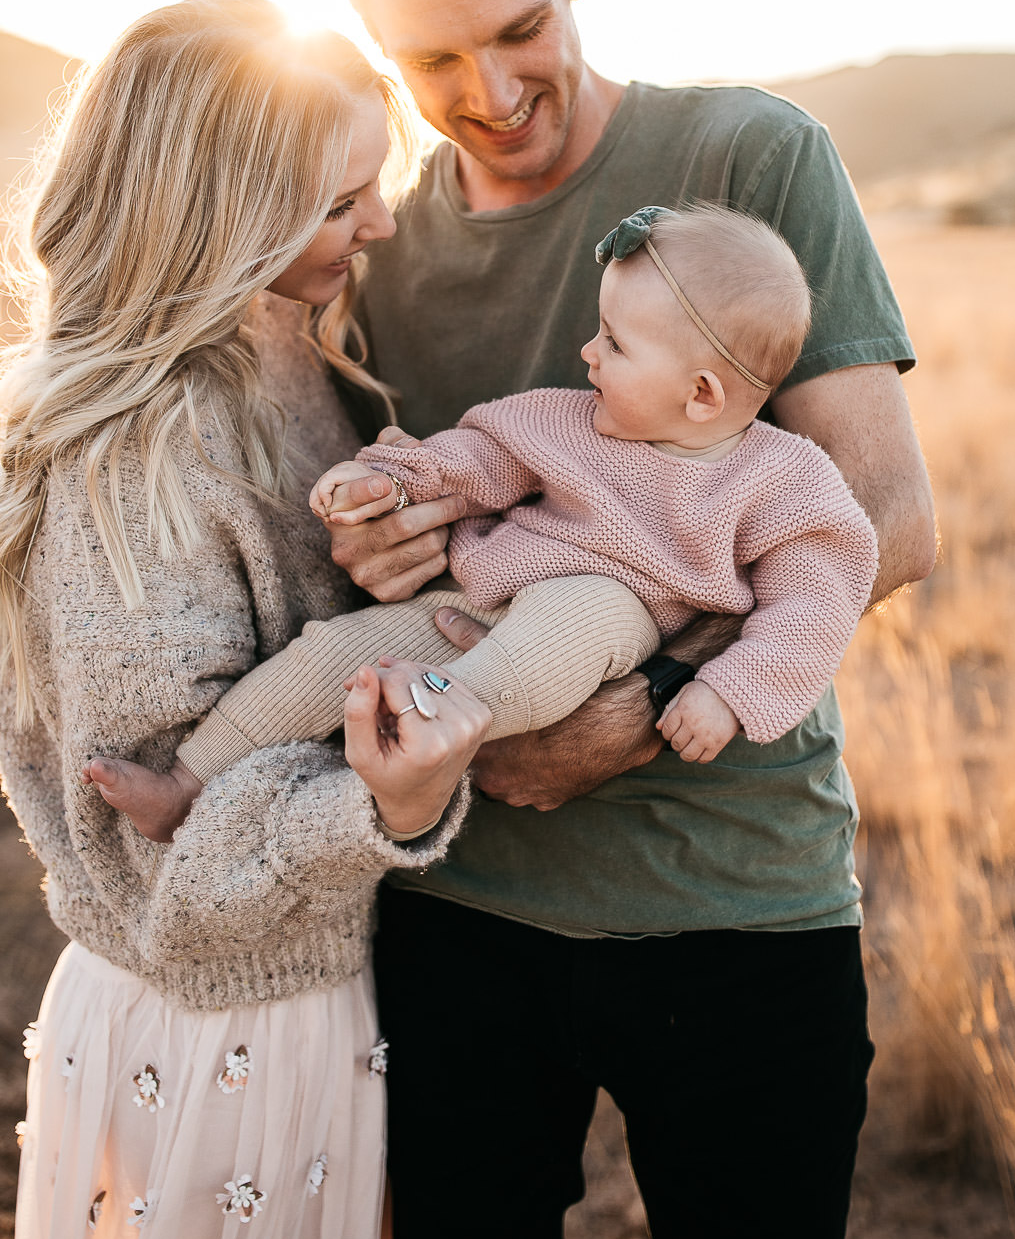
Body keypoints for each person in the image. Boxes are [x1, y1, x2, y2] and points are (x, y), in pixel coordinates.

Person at [295, 0, 939, 1239]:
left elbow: (886, 523)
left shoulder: (749, 156)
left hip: (734, 899)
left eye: (520, 27)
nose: (491, 89)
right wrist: (389, 546)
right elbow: (427, 515)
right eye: (433, 61)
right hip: (453, 907)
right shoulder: (384, 241)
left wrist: (626, 717)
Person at [0, 0, 490, 1239]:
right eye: (341, 204)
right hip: (218, 1032)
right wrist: (392, 801)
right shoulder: (137, 453)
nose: (381, 226)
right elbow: (171, 862)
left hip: (316, 994)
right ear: (221, 216)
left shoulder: (295, 351)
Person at [92, 202, 878, 843]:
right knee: (331, 654)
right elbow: (473, 459)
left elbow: (817, 602)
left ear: (703, 395)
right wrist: (386, 482)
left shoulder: (784, 480)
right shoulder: (563, 420)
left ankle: (425, 726)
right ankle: (188, 782)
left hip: (615, 616)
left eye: (614, 342)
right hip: (482, 601)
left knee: (574, 618)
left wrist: (729, 692)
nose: (587, 352)